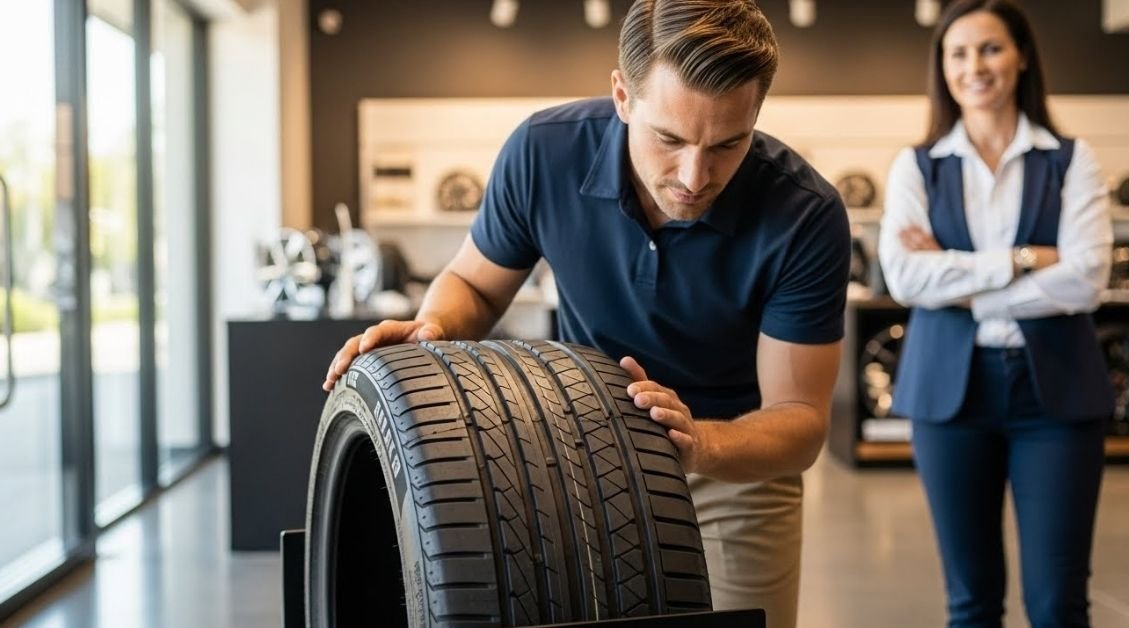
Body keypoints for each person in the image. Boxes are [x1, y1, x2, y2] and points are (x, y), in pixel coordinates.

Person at [323, 1, 849, 626]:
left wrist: (697, 442)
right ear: (623, 96)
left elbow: (798, 421)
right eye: (670, 138)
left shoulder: (806, 215)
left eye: (728, 144)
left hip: (731, 467)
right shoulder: (543, 153)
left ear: (756, 114)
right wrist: (435, 327)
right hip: (576, 452)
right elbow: (474, 282)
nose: (694, 175)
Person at [878, 1, 1114, 626]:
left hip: (1057, 397)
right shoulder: (917, 165)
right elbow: (905, 276)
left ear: (1022, 56)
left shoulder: (1071, 158)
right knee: (971, 602)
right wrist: (1021, 260)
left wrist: (956, 277)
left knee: (1058, 603)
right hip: (951, 400)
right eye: (958, 53)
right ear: (942, 67)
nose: (974, 66)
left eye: (990, 49)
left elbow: (1086, 278)